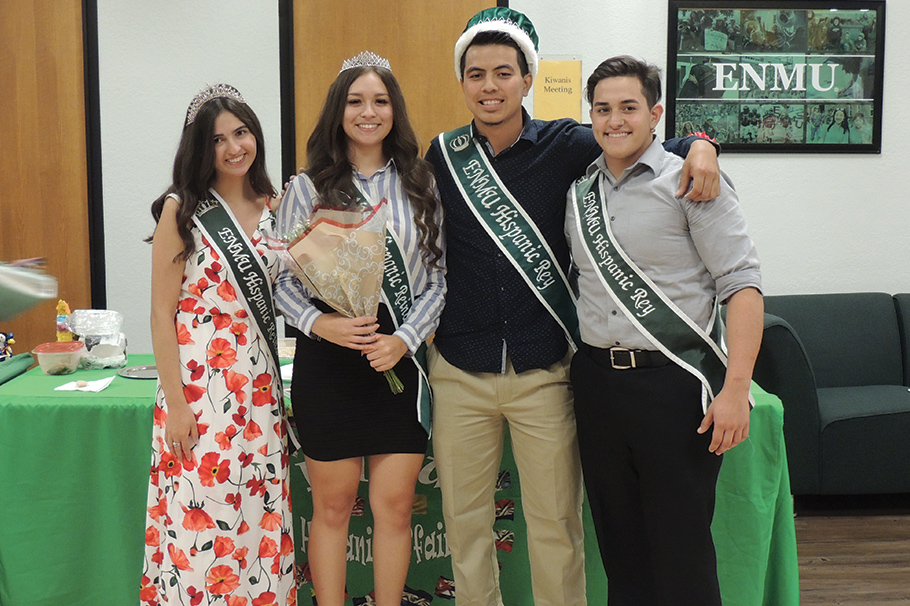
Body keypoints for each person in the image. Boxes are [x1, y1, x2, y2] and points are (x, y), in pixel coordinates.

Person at [423, 8, 723, 606]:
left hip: (544, 371)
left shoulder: (569, 144)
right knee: (465, 528)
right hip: (460, 368)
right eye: (475, 73)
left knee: (555, 529)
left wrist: (703, 145)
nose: (489, 85)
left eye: (502, 72)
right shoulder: (442, 156)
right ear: (461, 82)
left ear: (526, 78)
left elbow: (644, 139)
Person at [566, 55, 763, 606]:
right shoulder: (579, 190)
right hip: (598, 387)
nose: (615, 121)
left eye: (629, 107)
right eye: (602, 109)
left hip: (673, 387)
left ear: (655, 115)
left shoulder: (694, 180)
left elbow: (742, 285)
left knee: (682, 553)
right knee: (621, 553)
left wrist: (737, 389)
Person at [273, 52, 444, 606]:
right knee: (332, 506)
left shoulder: (423, 183)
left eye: (380, 100)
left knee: (394, 507)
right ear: (337, 111)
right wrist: (322, 323)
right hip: (330, 363)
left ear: (394, 110)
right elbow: (279, 281)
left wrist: (405, 339)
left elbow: (440, 280)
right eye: (355, 101)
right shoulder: (306, 187)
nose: (368, 112)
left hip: (399, 360)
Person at [143, 84, 296, 605]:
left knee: (258, 518)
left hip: (257, 388)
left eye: (241, 132)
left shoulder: (277, 206)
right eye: (217, 140)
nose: (233, 147)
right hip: (200, 390)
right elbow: (161, 316)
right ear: (198, 149)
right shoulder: (182, 210)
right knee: (202, 519)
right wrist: (178, 407)